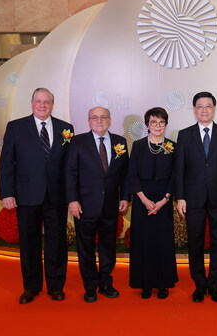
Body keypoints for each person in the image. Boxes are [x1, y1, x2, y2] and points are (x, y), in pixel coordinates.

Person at [0, 87, 74, 304]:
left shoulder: (66, 129)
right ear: (32, 103)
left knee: (57, 242)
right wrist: (7, 193)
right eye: (39, 101)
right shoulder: (16, 127)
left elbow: (70, 166)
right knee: (29, 242)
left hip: (56, 196)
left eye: (47, 101)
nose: (42, 105)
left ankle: (56, 286)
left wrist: (72, 195)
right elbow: (6, 163)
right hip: (26, 195)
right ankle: (31, 287)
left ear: (52, 105)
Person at [175, 91, 217, 303]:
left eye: (208, 106)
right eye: (200, 106)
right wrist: (180, 197)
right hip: (193, 198)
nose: (204, 110)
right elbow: (180, 169)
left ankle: (215, 285)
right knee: (195, 242)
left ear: (214, 109)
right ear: (194, 110)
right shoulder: (184, 135)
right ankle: (200, 285)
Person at [65, 106, 129, 303]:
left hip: (110, 205)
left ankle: (106, 283)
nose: (99, 120)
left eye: (103, 117)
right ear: (88, 121)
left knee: (108, 246)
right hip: (84, 206)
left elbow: (125, 174)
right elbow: (70, 173)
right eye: (94, 117)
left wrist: (125, 197)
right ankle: (90, 286)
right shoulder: (77, 142)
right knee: (85, 248)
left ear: (109, 120)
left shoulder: (120, 142)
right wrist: (72, 200)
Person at [127, 107, 178, 299]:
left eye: (161, 122)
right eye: (153, 122)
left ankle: (163, 284)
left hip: (164, 200)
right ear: (147, 124)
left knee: (163, 242)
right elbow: (132, 174)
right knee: (143, 242)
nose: (157, 125)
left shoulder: (172, 146)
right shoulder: (139, 145)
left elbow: (175, 175)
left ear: (166, 124)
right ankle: (145, 284)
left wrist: (164, 200)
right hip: (142, 199)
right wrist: (144, 199)